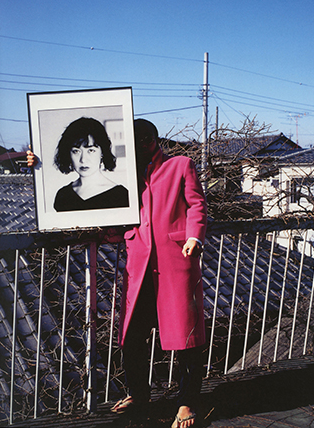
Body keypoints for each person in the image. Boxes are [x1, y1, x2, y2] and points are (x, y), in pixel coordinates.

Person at [110, 119, 207, 428]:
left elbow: (196, 204)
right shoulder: (119, 172)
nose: (141, 145)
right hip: (138, 265)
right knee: (132, 336)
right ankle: (139, 393)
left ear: (154, 139)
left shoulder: (181, 164)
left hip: (175, 262)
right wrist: (38, 164)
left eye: (145, 139)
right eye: (134, 140)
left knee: (185, 337)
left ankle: (187, 402)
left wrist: (194, 235)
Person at [28, 117, 129, 212]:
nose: (83, 159)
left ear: (102, 153)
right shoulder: (63, 195)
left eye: (91, 150)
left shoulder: (120, 195)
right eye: (76, 151)